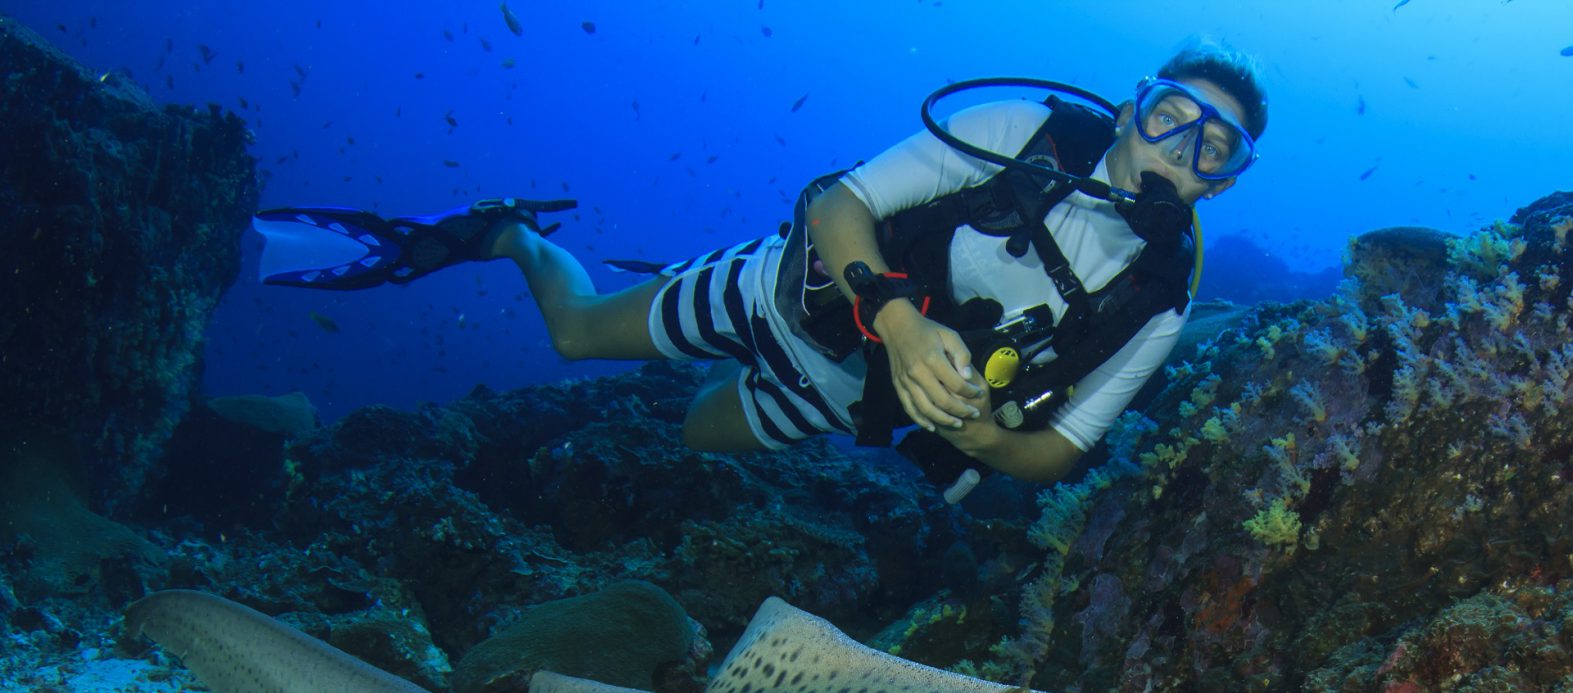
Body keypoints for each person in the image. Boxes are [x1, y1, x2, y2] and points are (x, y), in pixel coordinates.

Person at [253, 42, 1267, 503]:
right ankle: (513, 234)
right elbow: (834, 203)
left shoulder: (1159, 299)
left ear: (1222, 183)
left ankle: (702, 348)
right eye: (1171, 110)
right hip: (784, 288)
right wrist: (902, 323)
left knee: (695, 433)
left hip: (836, 396)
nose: (1181, 144)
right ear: (1135, 104)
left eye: (1212, 145)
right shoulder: (1022, 133)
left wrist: (967, 427)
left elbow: (1061, 451)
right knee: (575, 336)